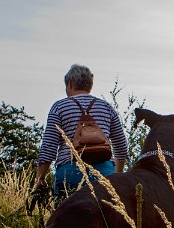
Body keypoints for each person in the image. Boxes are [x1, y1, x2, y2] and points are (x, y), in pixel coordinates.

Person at [33, 64, 129, 199]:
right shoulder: (107, 107)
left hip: (69, 174)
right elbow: (121, 146)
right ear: (90, 85)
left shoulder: (59, 107)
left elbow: (49, 147)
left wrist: (40, 178)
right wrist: (117, 177)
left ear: (70, 83)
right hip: (105, 174)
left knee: (65, 219)